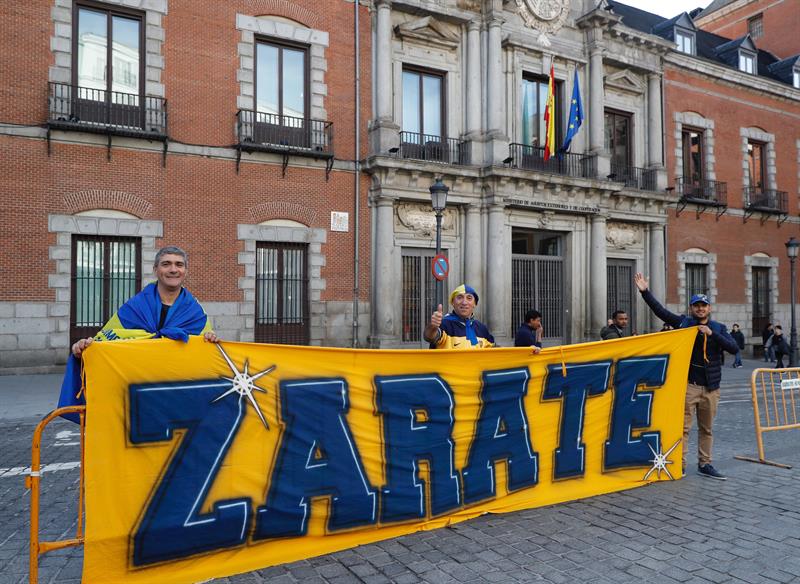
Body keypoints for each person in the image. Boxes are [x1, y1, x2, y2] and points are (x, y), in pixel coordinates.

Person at [59, 246, 219, 418]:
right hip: (137, 397)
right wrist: (83, 350)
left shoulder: (195, 312)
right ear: (156, 269)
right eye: (166, 264)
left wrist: (210, 342)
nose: (173, 269)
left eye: (179, 265)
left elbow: (206, 359)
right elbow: (105, 341)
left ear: (185, 271)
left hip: (176, 398)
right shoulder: (135, 306)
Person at [634, 273, 738, 480]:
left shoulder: (719, 328)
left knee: (706, 429)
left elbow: (734, 348)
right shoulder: (684, 323)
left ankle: (705, 464)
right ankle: (678, 465)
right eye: (696, 305)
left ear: (709, 308)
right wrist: (645, 292)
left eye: (703, 305)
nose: (700, 308)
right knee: (682, 429)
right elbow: (661, 312)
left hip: (711, 387)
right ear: (691, 308)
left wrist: (711, 334)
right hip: (689, 386)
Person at [424, 284, 495, 349]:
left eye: (469, 298)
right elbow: (429, 337)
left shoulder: (482, 329)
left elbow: (493, 352)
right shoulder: (444, 324)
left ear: (475, 304)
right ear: (453, 302)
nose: (464, 302)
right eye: (459, 297)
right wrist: (433, 327)